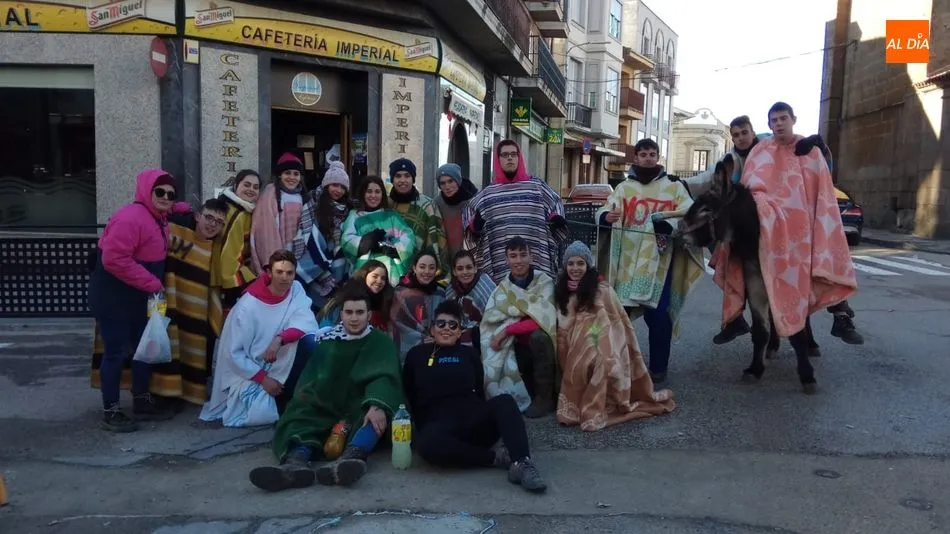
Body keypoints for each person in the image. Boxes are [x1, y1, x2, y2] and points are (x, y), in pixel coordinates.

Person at [712, 102, 860, 346]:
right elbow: (747, 189)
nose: (779, 123)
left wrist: (821, 149)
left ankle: (841, 316)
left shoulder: (806, 149)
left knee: (824, 260)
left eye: (783, 118)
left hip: (801, 228)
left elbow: (822, 183)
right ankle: (734, 318)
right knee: (728, 250)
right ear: (769, 125)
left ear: (793, 119)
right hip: (766, 225)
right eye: (774, 120)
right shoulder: (756, 154)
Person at [251, 287, 405, 492]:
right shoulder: (328, 342)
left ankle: (350, 460)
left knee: (377, 415)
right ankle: (294, 466)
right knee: (298, 415)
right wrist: (307, 400)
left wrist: (376, 402)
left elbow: (386, 377)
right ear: (341, 314)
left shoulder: (381, 342)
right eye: (349, 312)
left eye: (360, 313)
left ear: (369, 315)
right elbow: (312, 379)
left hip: (359, 405)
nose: (354, 318)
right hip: (327, 403)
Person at [404, 300, 547, 493]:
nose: (447, 328)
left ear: (459, 332)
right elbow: (409, 393)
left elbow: (479, 390)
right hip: (439, 427)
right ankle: (496, 458)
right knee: (426, 444)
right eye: (441, 324)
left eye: (453, 325)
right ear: (432, 329)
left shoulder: (469, 354)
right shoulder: (416, 355)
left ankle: (522, 462)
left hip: (472, 421)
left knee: (504, 401)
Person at [88, 169, 191, 432]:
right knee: (115, 353)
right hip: (115, 297)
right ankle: (110, 410)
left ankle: (142, 401)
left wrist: (184, 206)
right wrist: (152, 283)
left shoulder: (157, 215)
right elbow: (113, 259)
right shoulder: (130, 218)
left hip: (138, 298)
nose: (166, 197)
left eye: (171, 193)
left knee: (143, 350)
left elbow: (170, 207)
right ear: (146, 191)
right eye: (160, 191)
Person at [596, 139, 704, 383]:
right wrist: (606, 217)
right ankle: (620, 364)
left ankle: (658, 367)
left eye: (652, 154)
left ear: (658, 156)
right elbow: (604, 211)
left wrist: (671, 225)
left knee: (659, 317)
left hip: (660, 265)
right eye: (642, 154)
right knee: (619, 316)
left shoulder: (673, 187)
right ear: (635, 158)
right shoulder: (624, 188)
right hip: (626, 263)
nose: (647, 158)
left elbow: (690, 213)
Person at [554, 241, 676, 431]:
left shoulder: (602, 289)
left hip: (599, 341)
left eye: (580, 263)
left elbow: (616, 324)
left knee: (597, 360)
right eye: (571, 263)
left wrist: (589, 341)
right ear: (565, 265)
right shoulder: (561, 289)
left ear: (588, 265)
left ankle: (590, 404)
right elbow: (561, 323)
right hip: (568, 343)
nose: (575, 268)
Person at [199, 250, 319, 427]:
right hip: (251, 370)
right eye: (279, 272)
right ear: (269, 273)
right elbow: (233, 354)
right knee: (261, 413)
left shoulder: (296, 290)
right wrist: (263, 378)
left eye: (289, 273)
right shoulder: (247, 306)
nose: (284, 278)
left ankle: (296, 401)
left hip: (279, 358)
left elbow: (307, 323)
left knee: (312, 343)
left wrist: (279, 338)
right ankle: (284, 404)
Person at [151, 198, 229, 409]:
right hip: (172, 301)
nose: (212, 224)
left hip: (200, 307)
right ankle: (165, 393)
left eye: (218, 222)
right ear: (197, 216)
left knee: (195, 346)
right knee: (169, 345)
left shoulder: (218, 250)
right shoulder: (176, 232)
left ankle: (189, 391)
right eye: (209, 217)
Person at [463, 140, 569, 282]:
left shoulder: (537, 187)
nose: (510, 158)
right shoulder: (488, 194)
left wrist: (555, 216)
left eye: (513, 154)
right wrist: (474, 226)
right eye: (505, 154)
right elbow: (468, 212)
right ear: (498, 159)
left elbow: (556, 202)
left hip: (535, 256)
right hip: (500, 261)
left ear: (519, 157)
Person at [479, 237, 558, 418]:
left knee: (539, 336)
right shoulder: (502, 289)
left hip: (538, 346)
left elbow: (543, 318)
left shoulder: (544, 282)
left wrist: (507, 330)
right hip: (513, 347)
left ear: (531, 257)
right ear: (507, 260)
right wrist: (500, 334)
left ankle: (545, 397)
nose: (518, 260)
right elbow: (491, 321)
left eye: (523, 255)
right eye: (513, 256)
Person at [340, 175, 417, 286]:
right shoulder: (354, 215)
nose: (373, 195)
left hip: (391, 272)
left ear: (383, 194)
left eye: (377, 192)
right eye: (369, 191)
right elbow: (346, 240)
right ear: (363, 193)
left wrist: (392, 248)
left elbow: (408, 237)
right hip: (363, 270)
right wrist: (368, 241)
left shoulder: (392, 216)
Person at [297, 160, 353, 310]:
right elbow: (308, 234)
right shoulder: (312, 203)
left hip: (337, 262)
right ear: (326, 185)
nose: (338, 190)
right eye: (335, 185)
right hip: (315, 259)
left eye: (342, 187)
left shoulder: (348, 209)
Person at [250, 152, 311, 273]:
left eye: (296, 174)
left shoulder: (303, 196)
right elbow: (266, 231)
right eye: (287, 173)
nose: (292, 177)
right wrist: (274, 260)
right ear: (279, 175)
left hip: (300, 257)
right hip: (279, 257)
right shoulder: (270, 194)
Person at [213, 169, 260, 316]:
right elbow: (229, 254)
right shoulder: (236, 213)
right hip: (227, 283)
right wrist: (234, 285)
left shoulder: (241, 209)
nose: (251, 190)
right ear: (236, 185)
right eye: (247, 184)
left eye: (255, 187)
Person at [387, 158, 447, 269]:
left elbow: (435, 242)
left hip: (420, 272)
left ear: (413, 179)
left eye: (407, 176)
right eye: (398, 176)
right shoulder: (386, 205)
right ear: (392, 179)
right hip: (388, 269)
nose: (403, 180)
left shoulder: (427, 205)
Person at [391, 249, 446, 360]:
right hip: (408, 351)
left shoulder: (440, 293)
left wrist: (437, 336)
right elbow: (397, 325)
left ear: (436, 270)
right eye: (422, 267)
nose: (427, 271)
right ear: (414, 268)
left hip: (436, 348)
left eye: (431, 267)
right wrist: (421, 339)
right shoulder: (400, 293)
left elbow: (445, 319)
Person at [318, 260, 394, 333]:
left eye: (383, 278)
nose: (379, 281)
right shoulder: (349, 296)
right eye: (375, 276)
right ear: (364, 275)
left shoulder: (383, 299)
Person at [443, 249, 496, 351]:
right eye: (460, 268)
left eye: (469, 267)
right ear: (454, 272)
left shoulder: (486, 284)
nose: (465, 272)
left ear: (475, 268)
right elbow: (449, 317)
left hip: (486, 333)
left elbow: (496, 316)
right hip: (457, 334)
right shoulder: (450, 289)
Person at [432, 163, 479, 259]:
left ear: (458, 181)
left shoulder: (473, 201)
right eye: (443, 183)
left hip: (471, 258)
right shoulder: (436, 204)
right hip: (446, 258)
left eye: (450, 181)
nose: (447, 186)